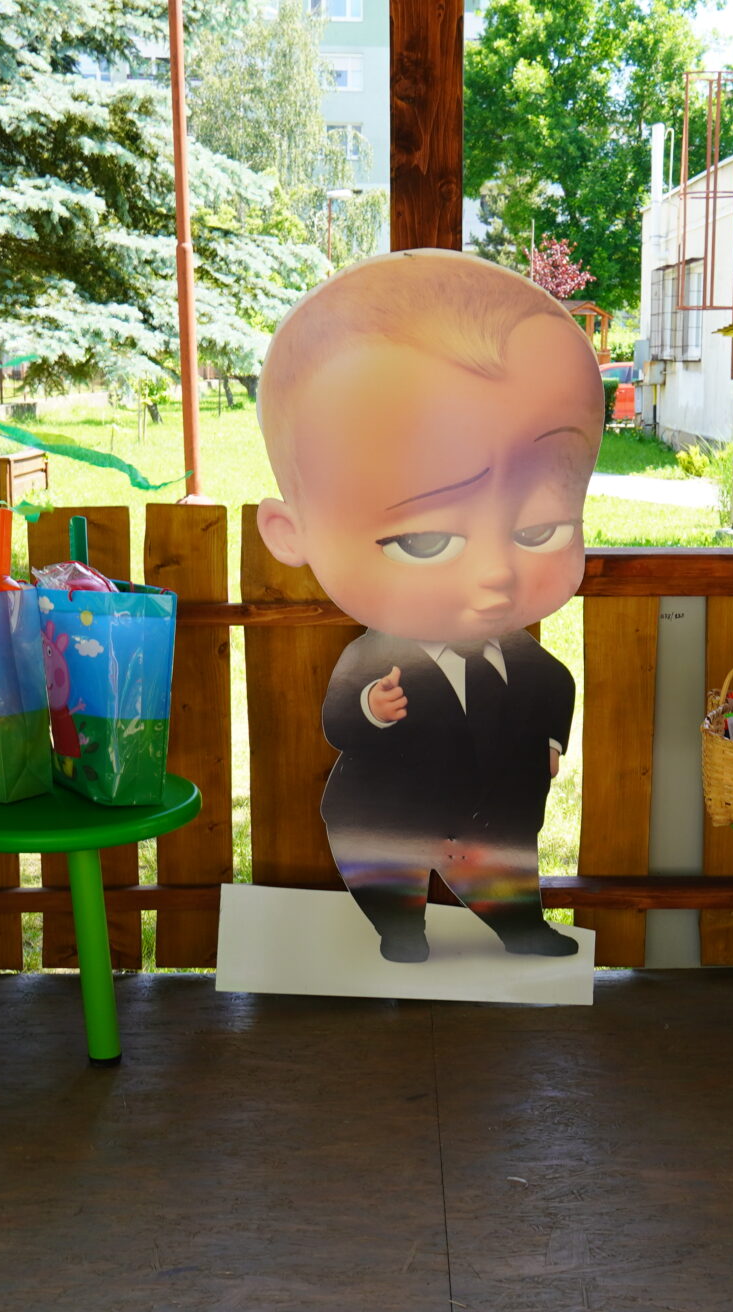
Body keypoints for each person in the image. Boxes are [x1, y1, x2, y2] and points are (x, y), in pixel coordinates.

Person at [255, 251, 603, 963]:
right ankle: (401, 929)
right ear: (291, 532)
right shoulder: (376, 659)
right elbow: (340, 717)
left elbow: (554, 684)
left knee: (506, 873)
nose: (495, 574)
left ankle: (520, 926)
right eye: (423, 541)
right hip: (392, 809)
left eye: (539, 530)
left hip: (492, 808)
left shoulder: (522, 659)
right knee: (386, 872)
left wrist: (550, 741)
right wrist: (372, 708)